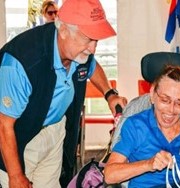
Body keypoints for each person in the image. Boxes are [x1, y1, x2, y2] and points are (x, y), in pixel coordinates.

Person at [0, 0, 127, 187]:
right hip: (19, 137)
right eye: (88, 39)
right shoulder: (20, 62)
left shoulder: (79, 51)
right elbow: (3, 125)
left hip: (55, 131)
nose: (93, 49)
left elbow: (92, 67)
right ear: (64, 31)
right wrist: (15, 175)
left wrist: (109, 93)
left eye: (96, 40)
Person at [104, 65, 180, 187]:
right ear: (152, 94)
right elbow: (110, 175)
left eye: (179, 103)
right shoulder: (136, 126)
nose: (171, 110)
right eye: (165, 100)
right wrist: (148, 164)